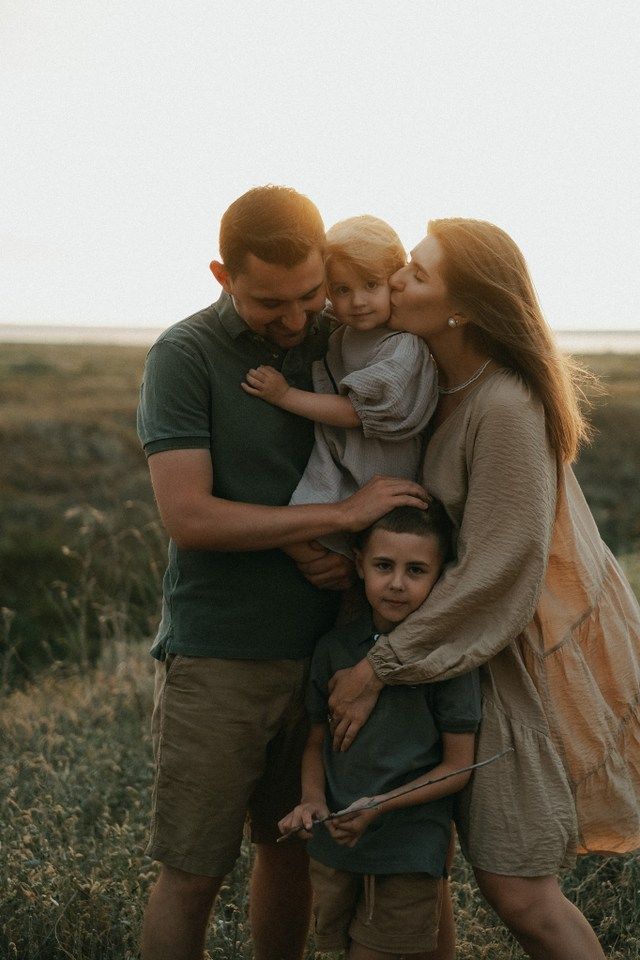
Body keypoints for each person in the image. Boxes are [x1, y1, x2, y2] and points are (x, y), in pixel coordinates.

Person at [326, 218, 640, 960]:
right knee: (422, 869)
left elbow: (500, 564)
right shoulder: (445, 387)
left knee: (520, 891)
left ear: (463, 307)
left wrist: (381, 666)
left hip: (503, 670)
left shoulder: (504, 405)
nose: (398, 280)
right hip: (448, 661)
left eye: (418, 276)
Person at [135, 185, 428, 960]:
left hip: (328, 654)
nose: (298, 320)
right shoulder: (184, 354)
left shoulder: (341, 331)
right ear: (221, 274)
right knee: (193, 873)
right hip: (220, 654)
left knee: (290, 849)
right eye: (271, 302)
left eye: (311, 294)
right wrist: (334, 521)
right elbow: (188, 516)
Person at [279, 504, 482, 960]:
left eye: (416, 570)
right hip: (336, 849)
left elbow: (458, 766)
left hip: (406, 849)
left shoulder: (447, 659)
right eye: (384, 566)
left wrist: (380, 806)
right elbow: (316, 739)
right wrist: (312, 799)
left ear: (439, 576)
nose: (396, 583)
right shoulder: (334, 648)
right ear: (359, 565)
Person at [242, 215, 438, 558]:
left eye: (371, 285)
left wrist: (284, 395)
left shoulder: (402, 346)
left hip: (381, 469)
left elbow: (354, 413)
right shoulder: (346, 328)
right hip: (342, 459)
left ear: (395, 279)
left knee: (378, 551)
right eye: (343, 290)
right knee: (307, 533)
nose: (358, 301)